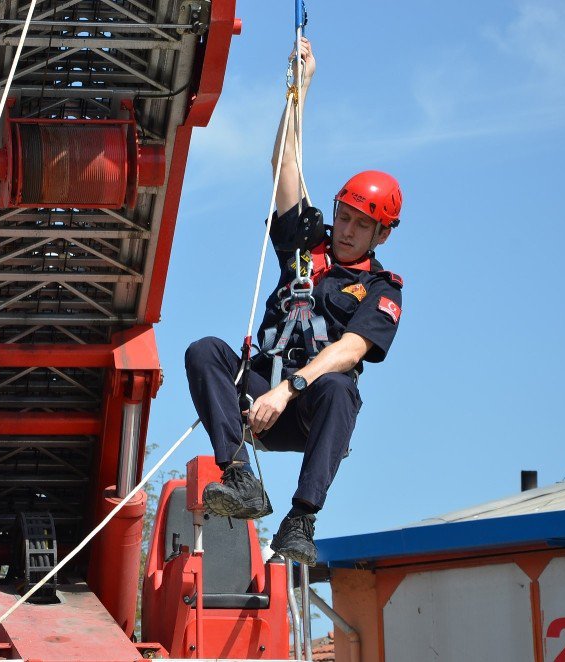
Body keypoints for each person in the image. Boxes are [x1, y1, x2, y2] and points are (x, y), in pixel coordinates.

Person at [184, 37, 404, 565]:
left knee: (338, 389)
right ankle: (239, 479)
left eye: (361, 225)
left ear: (381, 235)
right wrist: (299, 89)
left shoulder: (382, 289)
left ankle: (301, 518)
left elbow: (352, 349)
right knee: (204, 350)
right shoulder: (309, 246)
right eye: (345, 217)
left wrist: (287, 390)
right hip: (257, 399)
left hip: (305, 410)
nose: (347, 231)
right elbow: (284, 166)